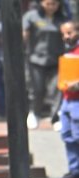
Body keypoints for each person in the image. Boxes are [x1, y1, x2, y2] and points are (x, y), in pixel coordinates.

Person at [23, 0, 69, 129]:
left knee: (56, 90)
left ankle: (55, 118)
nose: (51, 7)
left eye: (54, 4)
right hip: (36, 59)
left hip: (56, 60)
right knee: (37, 89)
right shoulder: (31, 16)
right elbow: (24, 34)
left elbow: (69, 34)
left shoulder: (62, 19)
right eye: (48, 3)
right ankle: (35, 113)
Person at [55, 20, 79, 178]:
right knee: (68, 135)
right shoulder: (66, 51)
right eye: (63, 33)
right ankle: (75, 170)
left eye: (69, 33)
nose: (66, 37)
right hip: (67, 99)